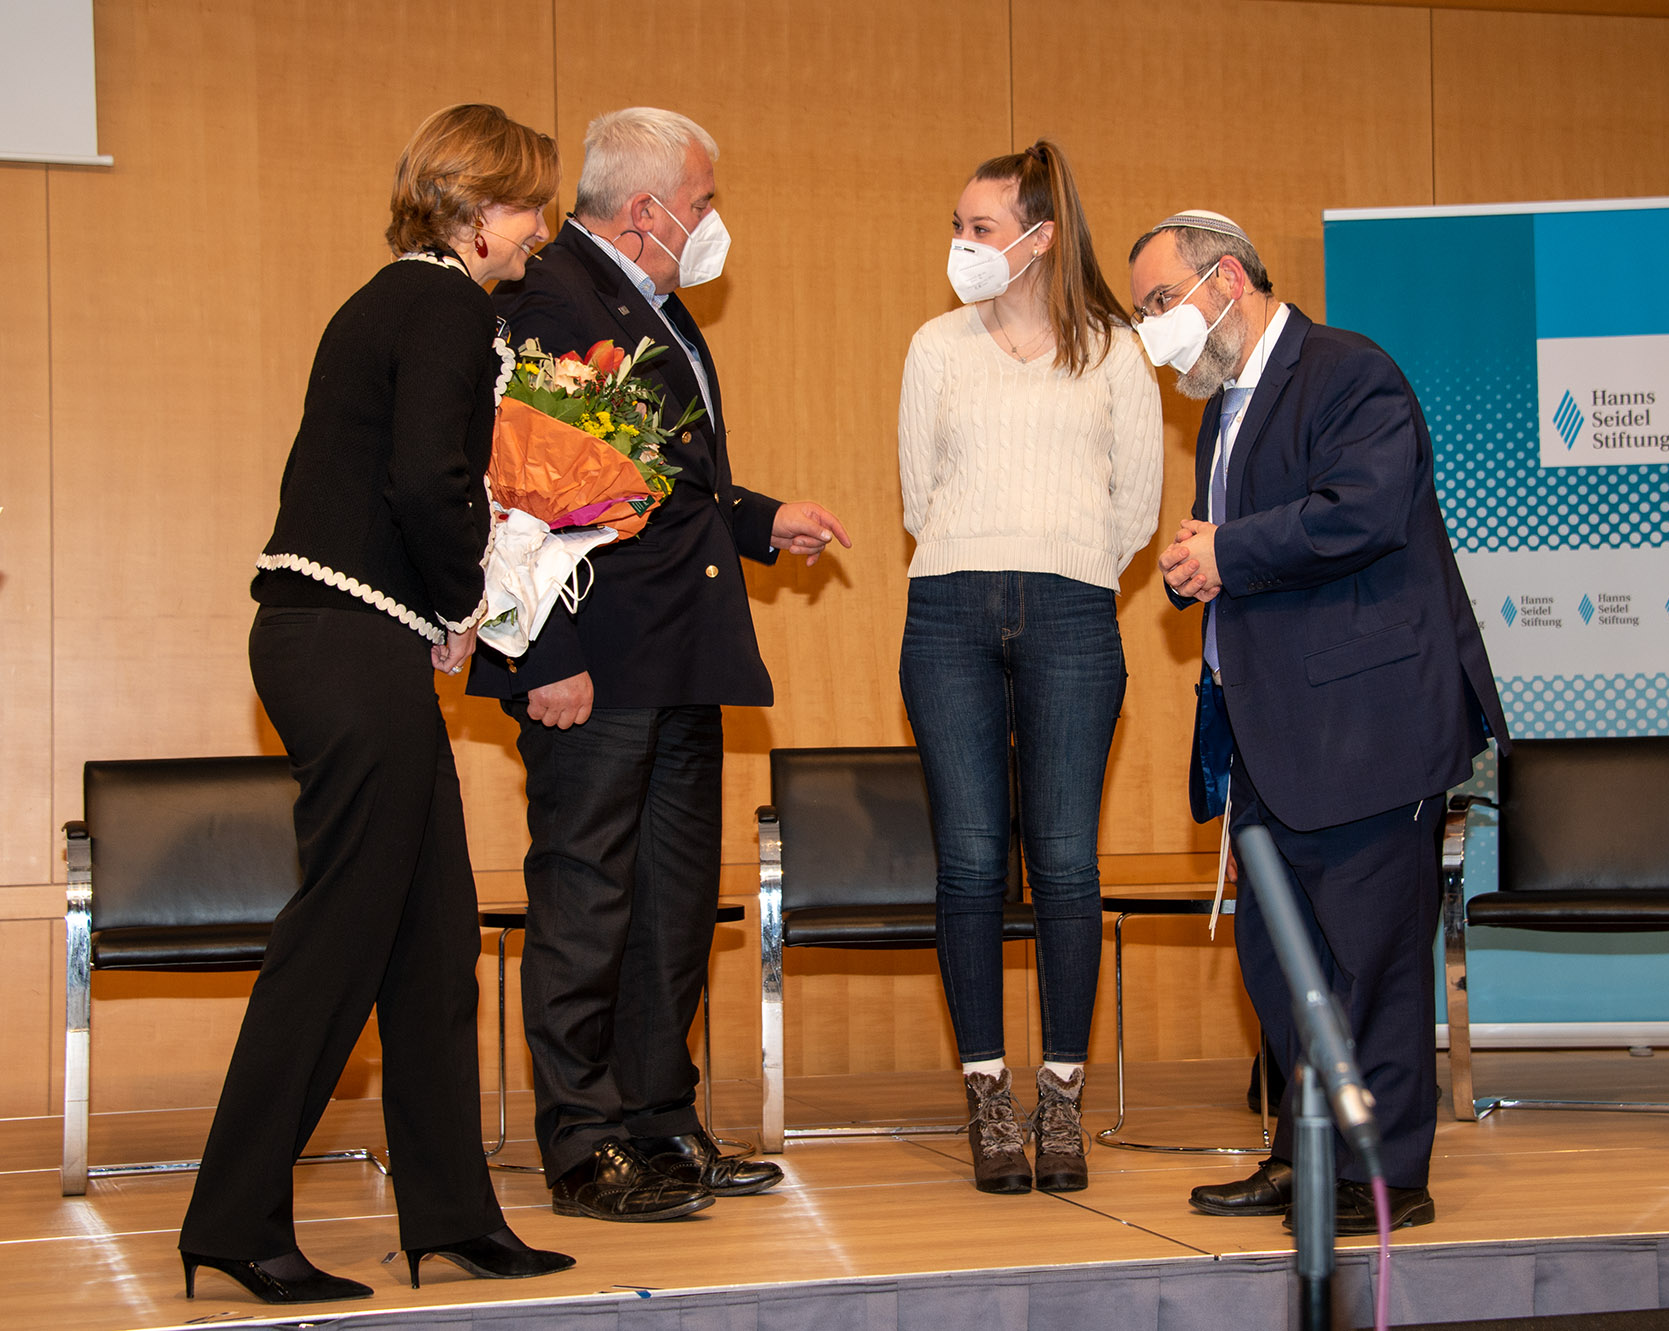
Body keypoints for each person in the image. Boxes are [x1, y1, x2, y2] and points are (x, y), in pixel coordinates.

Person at [178, 104, 573, 1304]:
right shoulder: (445, 304)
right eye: (531, 206)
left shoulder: (396, 298)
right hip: (349, 642)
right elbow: (426, 478)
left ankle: (451, 1213)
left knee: (432, 939)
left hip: (344, 640)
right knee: (338, 940)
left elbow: (405, 474)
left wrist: (436, 605)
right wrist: (463, 602)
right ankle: (234, 1217)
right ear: (480, 208)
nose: (541, 229)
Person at [465, 107, 850, 1220]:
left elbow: (654, 474)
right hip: (595, 660)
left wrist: (760, 520)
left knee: (671, 905)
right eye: (704, 200)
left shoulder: (649, 305)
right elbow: (510, 493)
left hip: (679, 652)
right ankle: (583, 1140)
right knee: (589, 897)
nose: (712, 218)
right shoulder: (551, 297)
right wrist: (545, 651)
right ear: (647, 209)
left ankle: (658, 1120)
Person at [1127, 211, 1508, 1234]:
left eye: (1160, 302)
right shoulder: (1225, 408)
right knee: (1282, 963)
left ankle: (1382, 1176)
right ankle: (1305, 1156)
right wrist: (1197, 564)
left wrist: (1229, 550)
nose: (1152, 328)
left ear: (1228, 280)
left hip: (1367, 724)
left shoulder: (1347, 371)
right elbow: (1246, 547)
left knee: (1370, 962)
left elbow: (1363, 509)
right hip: (1272, 734)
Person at [899, 141, 1162, 1194]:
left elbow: (1135, 508)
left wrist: (1061, 561)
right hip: (948, 606)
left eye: (981, 228)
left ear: (1041, 237)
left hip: (1072, 608)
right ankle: (985, 1095)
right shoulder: (934, 346)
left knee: (1063, 859)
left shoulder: (1116, 352)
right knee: (968, 859)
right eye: (957, 225)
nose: (961, 243)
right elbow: (918, 495)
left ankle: (1060, 1095)